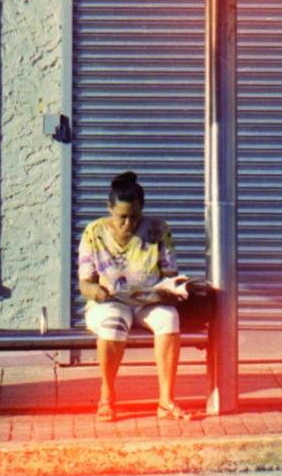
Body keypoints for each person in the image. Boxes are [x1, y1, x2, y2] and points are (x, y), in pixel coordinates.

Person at [78, 170, 195, 423]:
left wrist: (172, 290)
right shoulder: (93, 232)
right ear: (109, 208)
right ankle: (107, 395)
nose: (128, 223)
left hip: (148, 301)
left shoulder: (158, 230)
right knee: (113, 323)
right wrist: (96, 292)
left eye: (134, 216)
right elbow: (85, 284)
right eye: (122, 217)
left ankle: (166, 400)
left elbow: (170, 274)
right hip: (111, 302)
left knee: (169, 319)